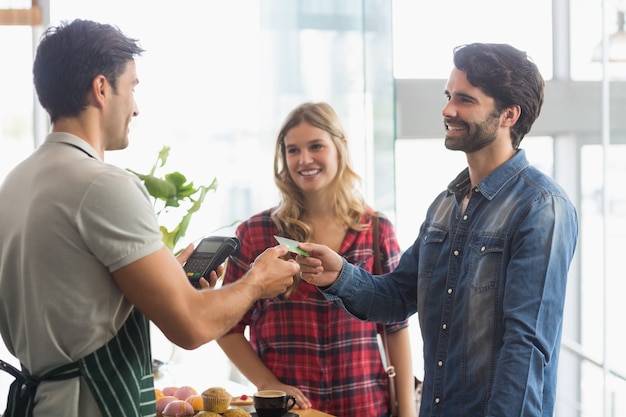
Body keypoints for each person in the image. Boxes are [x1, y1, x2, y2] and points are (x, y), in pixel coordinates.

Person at [0, 19, 299, 417]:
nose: (136, 107)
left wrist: (157, 280)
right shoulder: (103, 185)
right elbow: (190, 326)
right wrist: (256, 282)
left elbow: (70, 309)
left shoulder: (16, 183)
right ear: (102, 88)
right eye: (133, 87)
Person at [295, 43, 579, 417]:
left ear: (509, 115)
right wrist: (340, 275)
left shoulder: (541, 207)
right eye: (448, 96)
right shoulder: (446, 205)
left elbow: (525, 348)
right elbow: (396, 296)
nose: (447, 110)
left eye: (464, 99)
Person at [217, 102, 416, 417]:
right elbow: (226, 326)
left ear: (340, 147)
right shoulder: (257, 233)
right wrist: (268, 383)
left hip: (365, 406)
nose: (304, 159)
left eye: (316, 146)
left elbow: (396, 328)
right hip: (290, 411)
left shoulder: (376, 230)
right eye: (293, 150)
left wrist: (406, 413)